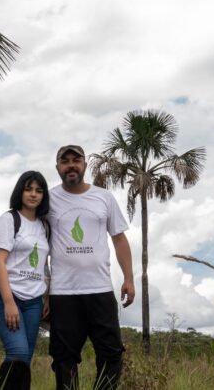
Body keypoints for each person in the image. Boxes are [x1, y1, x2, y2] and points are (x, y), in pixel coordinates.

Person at [48, 145, 135, 390]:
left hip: (100, 289)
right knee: (64, 358)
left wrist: (129, 279)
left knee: (112, 355)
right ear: (58, 168)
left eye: (76, 160)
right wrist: (44, 288)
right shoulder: (49, 198)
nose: (71, 165)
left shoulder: (103, 197)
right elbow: (38, 241)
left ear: (85, 166)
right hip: (63, 292)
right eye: (65, 161)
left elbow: (119, 239)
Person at [0, 171, 51, 390]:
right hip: (5, 295)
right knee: (18, 352)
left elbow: (43, 264)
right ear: (20, 191)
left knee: (26, 358)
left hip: (34, 300)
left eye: (39, 190)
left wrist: (47, 296)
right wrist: (8, 302)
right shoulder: (9, 220)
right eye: (28, 189)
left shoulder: (44, 226)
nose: (33, 194)